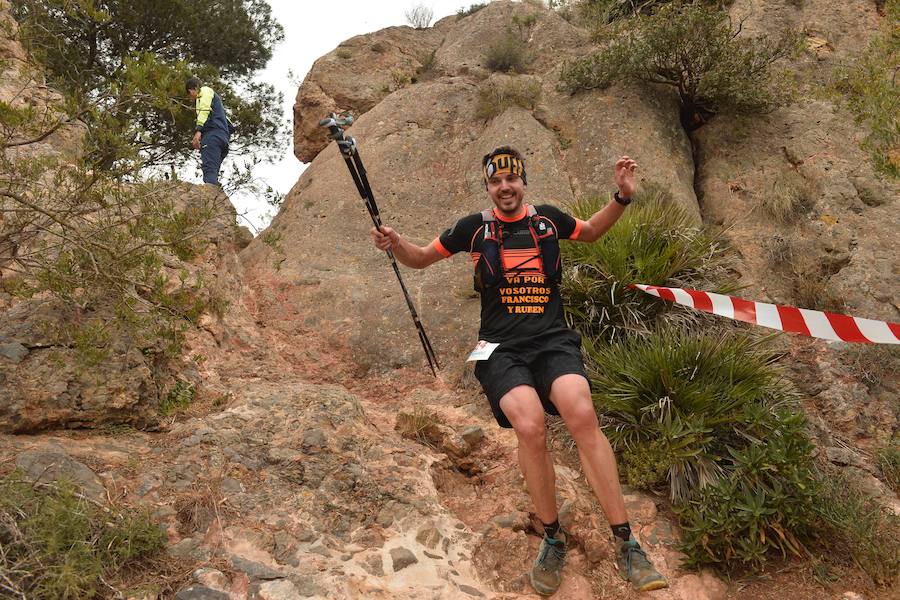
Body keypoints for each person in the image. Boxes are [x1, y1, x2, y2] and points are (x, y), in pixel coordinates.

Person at [370, 147, 668, 595]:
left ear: (522, 182)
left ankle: (627, 542)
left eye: (512, 180)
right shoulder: (473, 229)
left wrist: (621, 197)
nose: (505, 188)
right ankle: (552, 537)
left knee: (581, 413)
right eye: (496, 182)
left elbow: (589, 232)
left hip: (552, 339)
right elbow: (420, 258)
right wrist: (396, 243)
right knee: (529, 425)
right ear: (488, 187)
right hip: (499, 348)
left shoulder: (546, 220)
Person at [186, 76, 234, 186]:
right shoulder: (218, 106)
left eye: (190, 95)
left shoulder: (205, 92)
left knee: (209, 172)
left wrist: (199, 131)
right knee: (213, 170)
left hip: (212, 137)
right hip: (223, 139)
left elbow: (204, 110)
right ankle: (216, 197)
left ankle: (211, 195)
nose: (191, 98)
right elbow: (230, 126)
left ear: (191, 90)